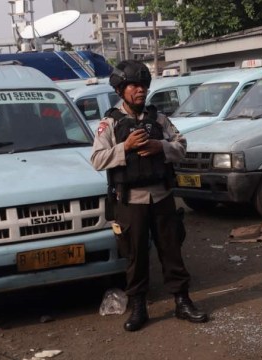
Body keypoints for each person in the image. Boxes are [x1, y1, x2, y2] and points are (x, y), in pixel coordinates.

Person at [90, 60, 208, 332]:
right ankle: (139, 307)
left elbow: (182, 146)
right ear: (121, 90)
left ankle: (182, 301)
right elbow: (97, 159)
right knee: (135, 256)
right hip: (131, 200)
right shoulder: (109, 124)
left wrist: (160, 146)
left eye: (143, 85)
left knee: (172, 251)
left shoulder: (160, 120)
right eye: (133, 85)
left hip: (162, 196)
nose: (140, 90)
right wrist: (125, 147)